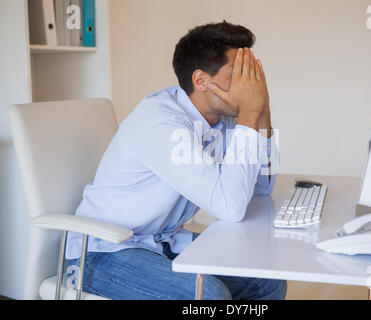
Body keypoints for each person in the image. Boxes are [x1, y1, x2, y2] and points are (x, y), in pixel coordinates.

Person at [65, 21, 286, 300]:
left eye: (250, 74)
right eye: (238, 74)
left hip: (162, 241)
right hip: (101, 252)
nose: (248, 85)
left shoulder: (225, 117)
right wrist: (249, 113)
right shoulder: (163, 124)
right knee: (207, 296)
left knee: (267, 281)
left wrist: (261, 110)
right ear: (202, 81)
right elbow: (230, 208)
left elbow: (261, 188)